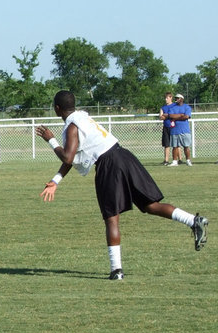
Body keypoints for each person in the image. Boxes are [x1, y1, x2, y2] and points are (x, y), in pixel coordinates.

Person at [35, 90, 207, 280]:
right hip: (124, 156)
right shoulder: (83, 117)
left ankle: (116, 270)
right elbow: (73, 157)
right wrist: (56, 180)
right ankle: (193, 221)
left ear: (57, 109)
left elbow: (67, 156)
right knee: (150, 205)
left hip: (109, 164)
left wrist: (50, 140)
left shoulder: (72, 127)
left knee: (111, 218)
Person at [167, 93, 192, 167]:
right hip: (174, 130)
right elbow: (171, 116)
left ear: (181, 99)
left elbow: (186, 116)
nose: (176, 99)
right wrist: (181, 115)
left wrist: (176, 117)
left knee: (186, 146)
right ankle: (175, 161)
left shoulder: (187, 107)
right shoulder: (172, 108)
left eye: (178, 98)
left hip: (184, 130)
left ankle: (188, 160)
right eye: (176, 98)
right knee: (174, 147)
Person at [158, 92, 174, 165]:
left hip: (174, 127)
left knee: (176, 144)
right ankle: (166, 160)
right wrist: (165, 116)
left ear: (171, 98)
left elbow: (175, 115)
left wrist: (166, 115)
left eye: (167, 98)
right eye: (165, 98)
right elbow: (161, 117)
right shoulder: (163, 107)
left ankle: (178, 159)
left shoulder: (175, 106)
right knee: (166, 144)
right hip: (166, 127)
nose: (166, 99)